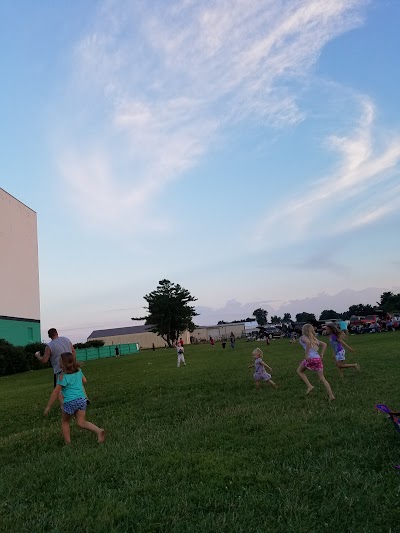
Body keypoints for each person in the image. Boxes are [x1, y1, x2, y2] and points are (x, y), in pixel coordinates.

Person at [44, 352, 105, 445]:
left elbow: (56, 392)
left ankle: (68, 443)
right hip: (82, 400)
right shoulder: (79, 371)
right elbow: (85, 381)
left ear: (63, 364)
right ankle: (98, 430)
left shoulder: (62, 376)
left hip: (70, 402)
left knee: (65, 421)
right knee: (81, 422)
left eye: (60, 361)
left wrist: (48, 407)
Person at [297, 324, 335, 401]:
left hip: (310, 358)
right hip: (317, 359)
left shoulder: (303, 338)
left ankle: (309, 386)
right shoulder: (315, 339)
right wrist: (322, 354)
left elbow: (307, 343)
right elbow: (324, 344)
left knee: (299, 371)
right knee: (322, 378)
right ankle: (331, 395)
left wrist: (306, 355)